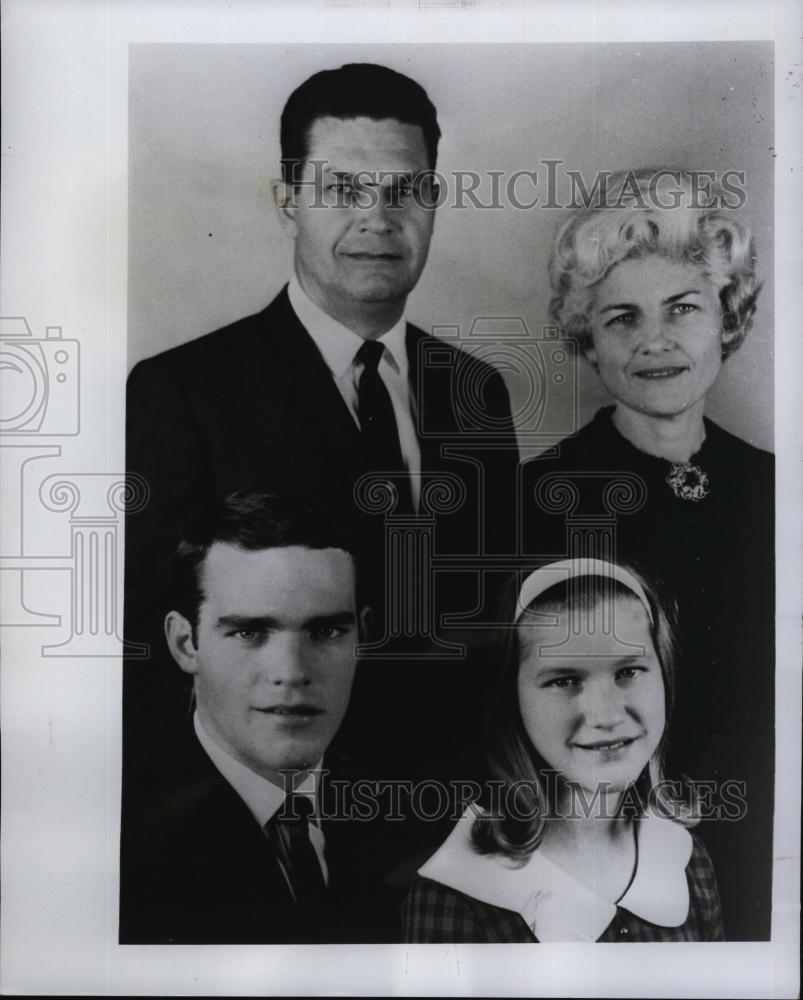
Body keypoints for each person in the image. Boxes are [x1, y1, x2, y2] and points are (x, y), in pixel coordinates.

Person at [124, 61, 519, 782]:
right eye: (342, 190)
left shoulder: (474, 391)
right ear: (287, 203)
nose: (378, 218)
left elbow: (491, 631)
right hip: (277, 833)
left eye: (405, 191)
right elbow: (148, 651)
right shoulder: (183, 392)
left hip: (455, 819)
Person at [518, 169, 773, 939]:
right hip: (611, 864)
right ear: (586, 339)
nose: (655, 340)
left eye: (682, 308)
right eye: (622, 318)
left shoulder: (775, 487)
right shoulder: (534, 501)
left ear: (725, 317)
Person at [119, 491, 398, 944]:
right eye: (249, 631)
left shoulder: (412, 817)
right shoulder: (122, 844)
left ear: (361, 638)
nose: (291, 673)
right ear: (186, 643)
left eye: (325, 631)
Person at [403, 559, 724, 943]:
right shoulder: (457, 897)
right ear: (513, 700)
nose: (605, 715)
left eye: (628, 672)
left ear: (665, 674)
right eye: (564, 680)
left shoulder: (687, 862)